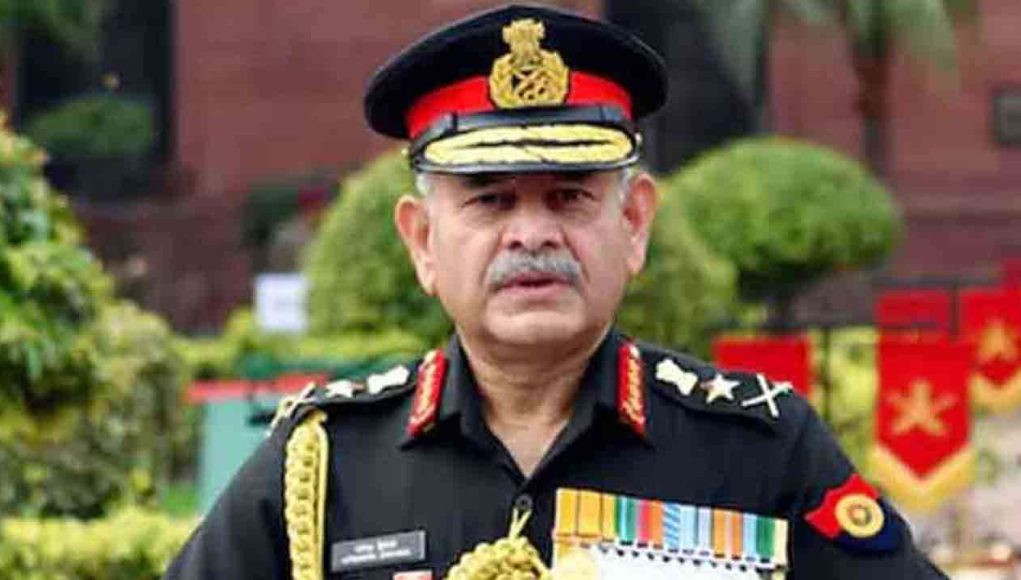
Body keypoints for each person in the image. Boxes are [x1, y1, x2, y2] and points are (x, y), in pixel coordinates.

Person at [165, 4, 946, 579]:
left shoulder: (757, 450)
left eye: (569, 197)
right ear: (422, 241)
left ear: (633, 224)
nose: (531, 234)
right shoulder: (327, 463)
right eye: (490, 200)